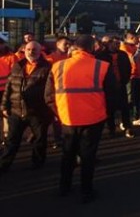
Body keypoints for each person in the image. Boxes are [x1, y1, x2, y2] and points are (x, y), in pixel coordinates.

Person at [45, 35, 116, 202]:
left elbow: (48, 96)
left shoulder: (58, 66)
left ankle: (64, 186)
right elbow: (112, 94)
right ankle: (86, 190)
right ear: (92, 48)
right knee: (88, 156)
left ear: (74, 47)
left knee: (68, 154)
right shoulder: (102, 66)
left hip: (68, 118)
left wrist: (59, 113)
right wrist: (105, 114)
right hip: (94, 118)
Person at [0, 41, 53, 173]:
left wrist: (51, 110)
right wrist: (4, 105)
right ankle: (4, 164)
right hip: (17, 110)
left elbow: (51, 91)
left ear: (40, 51)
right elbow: (9, 86)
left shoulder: (48, 67)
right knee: (12, 140)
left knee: (40, 140)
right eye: (28, 49)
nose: (31, 52)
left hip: (38, 111)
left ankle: (38, 163)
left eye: (34, 49)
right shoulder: (17, 65)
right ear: (24, 51)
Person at [96, 36, 134, 138]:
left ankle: (127, 127)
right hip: (108, 86)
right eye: (114, 43)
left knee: (125, 108)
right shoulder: (101, 56)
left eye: (118, 43)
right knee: (110, 110)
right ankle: (111, 129)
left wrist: (124, 80)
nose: (117, 45)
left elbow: (128, 68)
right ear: (109, 44)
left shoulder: (122, 54)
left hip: (121, 84)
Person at [121, 32, 140, 126]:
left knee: (138, 98)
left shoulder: (135, 47)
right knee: (130, 99)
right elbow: (131, 59)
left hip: (139, 76)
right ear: (131, 38)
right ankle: (125, 120)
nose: (138, 40)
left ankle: (136, 117)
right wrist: (138, 50)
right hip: (131, 76)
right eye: (136, 38)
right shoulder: (124, 47)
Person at [0, 36, 18, 145]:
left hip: (6, 91)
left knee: (7, 114)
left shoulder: (11, 57)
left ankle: (6, 138)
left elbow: (14, 74)